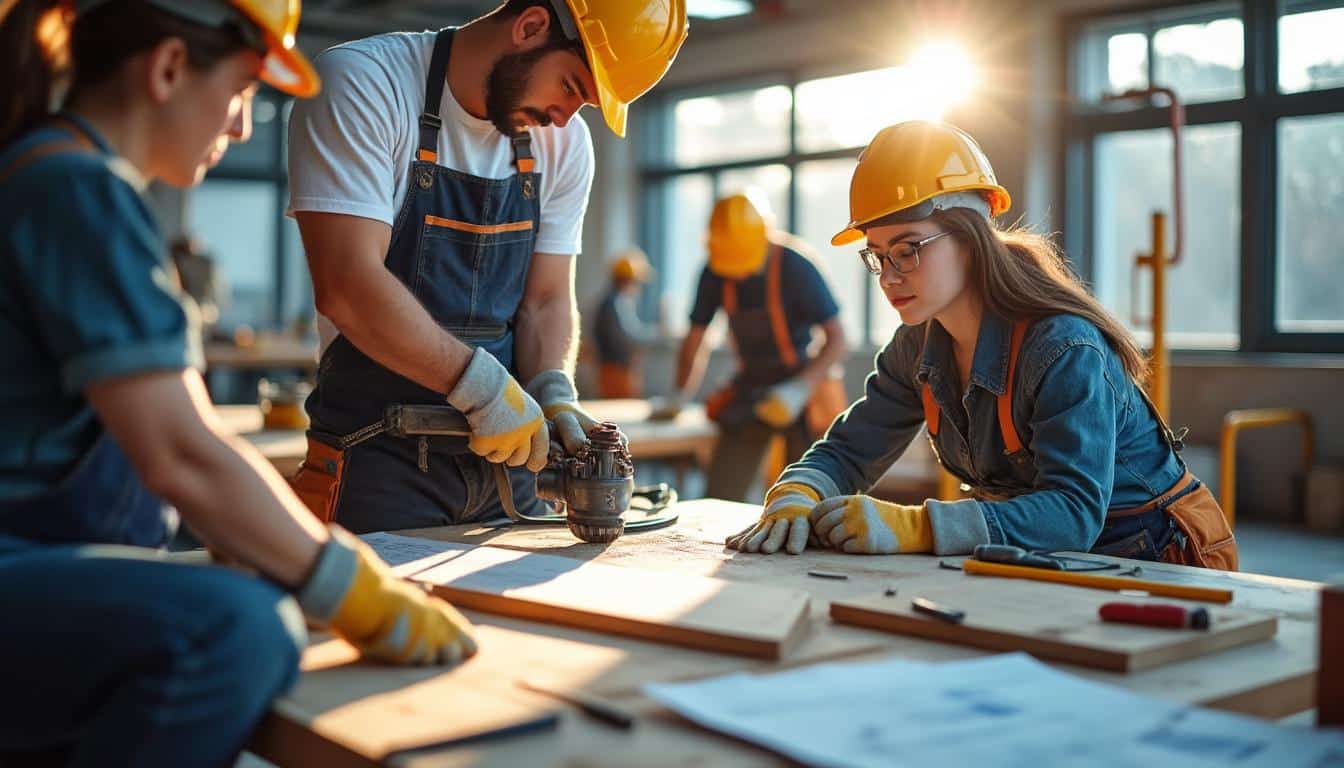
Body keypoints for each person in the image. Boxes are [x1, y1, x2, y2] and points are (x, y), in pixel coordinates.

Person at [0, 2, 477, 764]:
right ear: (166, 70)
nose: (244, 127)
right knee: (238, 628)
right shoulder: (74, 186)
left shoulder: (46, 170)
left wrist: (270, 545)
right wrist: (345, 585)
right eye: (246, 92)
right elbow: (180, 452)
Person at [727, 121, 1237, 571]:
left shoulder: (1063, 348)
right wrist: (798, 491)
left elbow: (1073, 512)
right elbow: (849, 449)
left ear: (971, 239)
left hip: (1157, 557)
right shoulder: (917, 345)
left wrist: (916, 528)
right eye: (878, 256)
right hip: (1039, 556)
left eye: (907, 251)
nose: (888, 277)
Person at [286, 0, 688, 533]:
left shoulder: (564, 144)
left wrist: (553, 391)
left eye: (586, 104)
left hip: (512, 470)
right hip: (378, 460)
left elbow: (546, 299)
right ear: (530, 27)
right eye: (571, 86)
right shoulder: (365, 84)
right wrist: (483, 390)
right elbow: (348, 285)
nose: (566, 117)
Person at [673, 192, 848, 502]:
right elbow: (695, 339)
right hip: (752, 388)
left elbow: (837, 338)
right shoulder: (714, 270)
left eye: (743, 264)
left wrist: (800, 388)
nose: (737, 273)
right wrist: (678, 395)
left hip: (802, 386)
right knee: (721, 492)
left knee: (810, 494)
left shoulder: (797, 267)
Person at [593, 247, 659, 398]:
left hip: (618, 370)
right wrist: (657, 333)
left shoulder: (614, 302)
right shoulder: (615, 304)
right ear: (627, 280)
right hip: (616, 371)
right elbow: (628, 336)